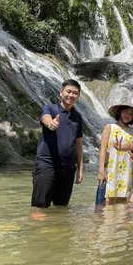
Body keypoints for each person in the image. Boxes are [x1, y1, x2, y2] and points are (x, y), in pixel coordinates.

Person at [31, 79, 84, 209]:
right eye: (68, 91)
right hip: (46, 164)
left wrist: (80, 169)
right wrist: (50, 123)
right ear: (61, 92)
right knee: (39, 207)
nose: (71, 95)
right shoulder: (50, 108)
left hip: (68, 168)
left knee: (62, 209)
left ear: (78, 96)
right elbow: (45, 118)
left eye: (75, 93)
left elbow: (79, 143)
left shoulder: (77, 117)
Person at [97, 102, 133, 204]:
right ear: (120, 112)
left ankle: (119, 220)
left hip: (127, 168)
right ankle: (107, 220)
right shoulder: (109, 127)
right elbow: (103, 149)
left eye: (130, 114)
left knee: (123, 199)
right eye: (125, 112)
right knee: (108, 199)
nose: (127, 115)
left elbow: (132, 150)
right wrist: (101, 170)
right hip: (112, 167)